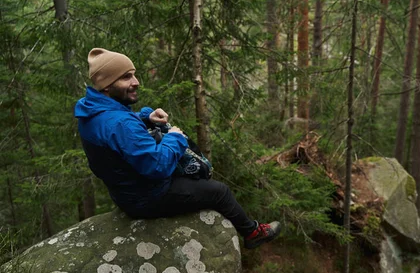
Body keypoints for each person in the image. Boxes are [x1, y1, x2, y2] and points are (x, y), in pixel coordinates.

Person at [74, 48, 280, 249]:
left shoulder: (91, 111)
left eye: (134, 75)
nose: (136, 82)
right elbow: (158, 167)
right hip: (147, 197)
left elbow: (114, 129)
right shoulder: (120, 125)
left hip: (126, 192)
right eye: (126, 77)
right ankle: (253, 233)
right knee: (220, 192)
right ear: (107, 85)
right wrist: (174, 138)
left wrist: (145, 117)